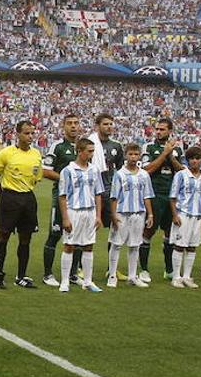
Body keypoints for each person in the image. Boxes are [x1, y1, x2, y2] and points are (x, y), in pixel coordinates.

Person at [0, 120, 43, 289]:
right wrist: (3, 195)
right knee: (3, 236)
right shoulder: (6, 153)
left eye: (32, 133)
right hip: (10, 198)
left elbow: (37, 177)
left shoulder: (36, 154)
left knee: (26, 238)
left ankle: (21, 276)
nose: (30, 136)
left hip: (28, 199)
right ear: (17, 134)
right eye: (26, 133)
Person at [57, 137, 104, 293]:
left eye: (93, 151)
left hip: (89, 211)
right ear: (79, 151)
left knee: (89, 245)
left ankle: (88, 281)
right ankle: (64, 281)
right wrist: (65, 218)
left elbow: (98, 194)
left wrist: (98, 216)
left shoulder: (95, 170)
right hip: (74, 211)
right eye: (89, 151)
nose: (91, 154)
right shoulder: (68, 171)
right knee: (69, 245)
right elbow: (62, 196)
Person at [141, 117, 183, 282]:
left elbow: (181, 172)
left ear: (170, 131)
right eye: (157, 129)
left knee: (170, 233)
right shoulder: (149, 147)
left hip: (172, 196)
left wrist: (171, 157)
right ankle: (144, 270)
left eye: (162, 129)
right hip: (153, 194)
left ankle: (169, 269)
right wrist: (164, 153)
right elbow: (146, 170)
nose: (158, 132)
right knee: (148, 231)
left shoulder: (177, 150)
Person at [106, 144, 155, 288]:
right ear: (126, 155)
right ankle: (112, 275)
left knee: (135, 245)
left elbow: (147, 196)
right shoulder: (120, 174)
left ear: (139, 155)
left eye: (136, 154)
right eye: (131, 154)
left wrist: (150, 214)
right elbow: (114, 196)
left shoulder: (144, 175)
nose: (133, 157)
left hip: (139, 213)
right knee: (116, 244)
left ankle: (132, 276)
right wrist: (113, 215)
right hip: (122, 213)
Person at [41, 114, 80, 286]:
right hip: (61, 198)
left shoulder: (84, 147)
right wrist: (66, 179)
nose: (73, 126)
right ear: (63, 126)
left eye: (76, 123)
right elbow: (46, 171)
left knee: (78, 237)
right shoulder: (57, 146)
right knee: (55, 234)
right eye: (69, 123)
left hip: (80, 200)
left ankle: (73, 274)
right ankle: (48, 274)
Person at [169, 145, 201, 288]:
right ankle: (176, 277)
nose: (195, 161)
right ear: (187, 160)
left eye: (198, 158)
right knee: (179, 245)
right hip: (183, 214)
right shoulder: (181, 175)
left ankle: (187, 276)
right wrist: (174, 215)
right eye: (192, 158)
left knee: (192, 246)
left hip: (198, 216)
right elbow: (173, 197)